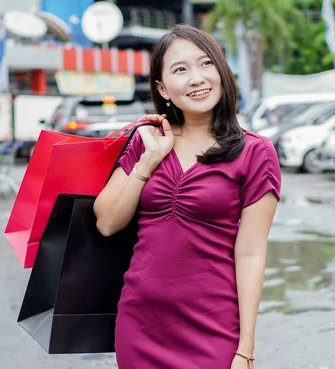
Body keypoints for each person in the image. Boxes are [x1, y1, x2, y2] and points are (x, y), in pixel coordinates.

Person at [93, 24, 281, 369]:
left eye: (206, 64)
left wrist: (246, 347)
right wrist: (147, 163)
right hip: (141, 324)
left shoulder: (255, 152)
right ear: (163, 88)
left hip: (214, 329)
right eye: (181, 69)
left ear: (222, 73)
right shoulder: (145, 141)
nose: (197, 78)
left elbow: (252, 252)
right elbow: (106, 222)